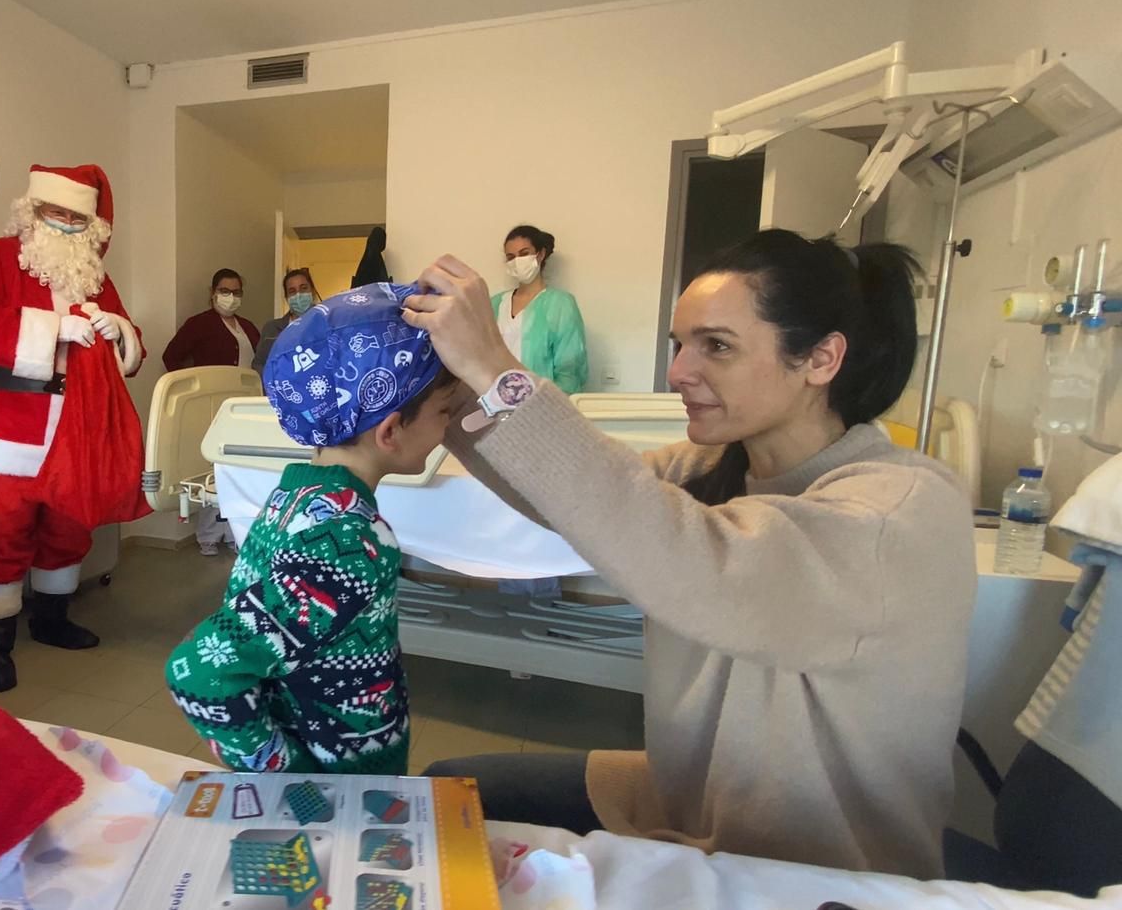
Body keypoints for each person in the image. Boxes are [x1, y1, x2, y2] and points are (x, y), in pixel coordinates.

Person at [402, 229, 976, 879]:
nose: (679, 372)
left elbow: (690, 557)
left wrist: (496, 368)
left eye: (718, 347)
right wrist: (446, 397)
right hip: (695, 793)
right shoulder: (721, 464)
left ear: (820, 359)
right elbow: (573, 499)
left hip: (815, 865)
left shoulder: (896, 512)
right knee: (449, 790)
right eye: (680, 346)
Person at [165, 284, 460, 774]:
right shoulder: (348, 540)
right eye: (445, 413)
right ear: (390, 431)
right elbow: (200, 670)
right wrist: (285, 774)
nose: (448, 428)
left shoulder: (297, 497)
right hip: (335, 785)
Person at [0, 163, 147, 692]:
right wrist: (55, 328)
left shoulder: (96, 279)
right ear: (31, 210)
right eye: (53, 211)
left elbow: (134, 351)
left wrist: (119, 330)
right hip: (9, 428)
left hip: (78, 428)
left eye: (74, 215)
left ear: (92, 226)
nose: (62, 222)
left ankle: (52, 620)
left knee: (67, 526)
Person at [495, 225, 588, 394]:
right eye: (511, 257)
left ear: (540, 254)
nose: (517, 261)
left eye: (524, 254)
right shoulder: (495, 304)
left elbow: (569, 372)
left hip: (541, 407)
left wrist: (548, 408)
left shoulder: (560, 305)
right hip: (494, 406)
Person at [162, 268, 261, 371]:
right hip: (213, 386)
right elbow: (170, 357)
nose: (231, 297)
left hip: (249, 386)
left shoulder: (248, 326)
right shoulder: (198, 324)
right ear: (213, 292)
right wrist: (188, 384)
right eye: (224, 291)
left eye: (236, 292)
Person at [252, 268, 317, 378]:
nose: (298, 295)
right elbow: (258, 364)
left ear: (313, 291)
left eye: (303, 288)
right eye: (292, 291)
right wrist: (274, 379)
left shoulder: (329, 325)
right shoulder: (271, 328)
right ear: (287, 298)